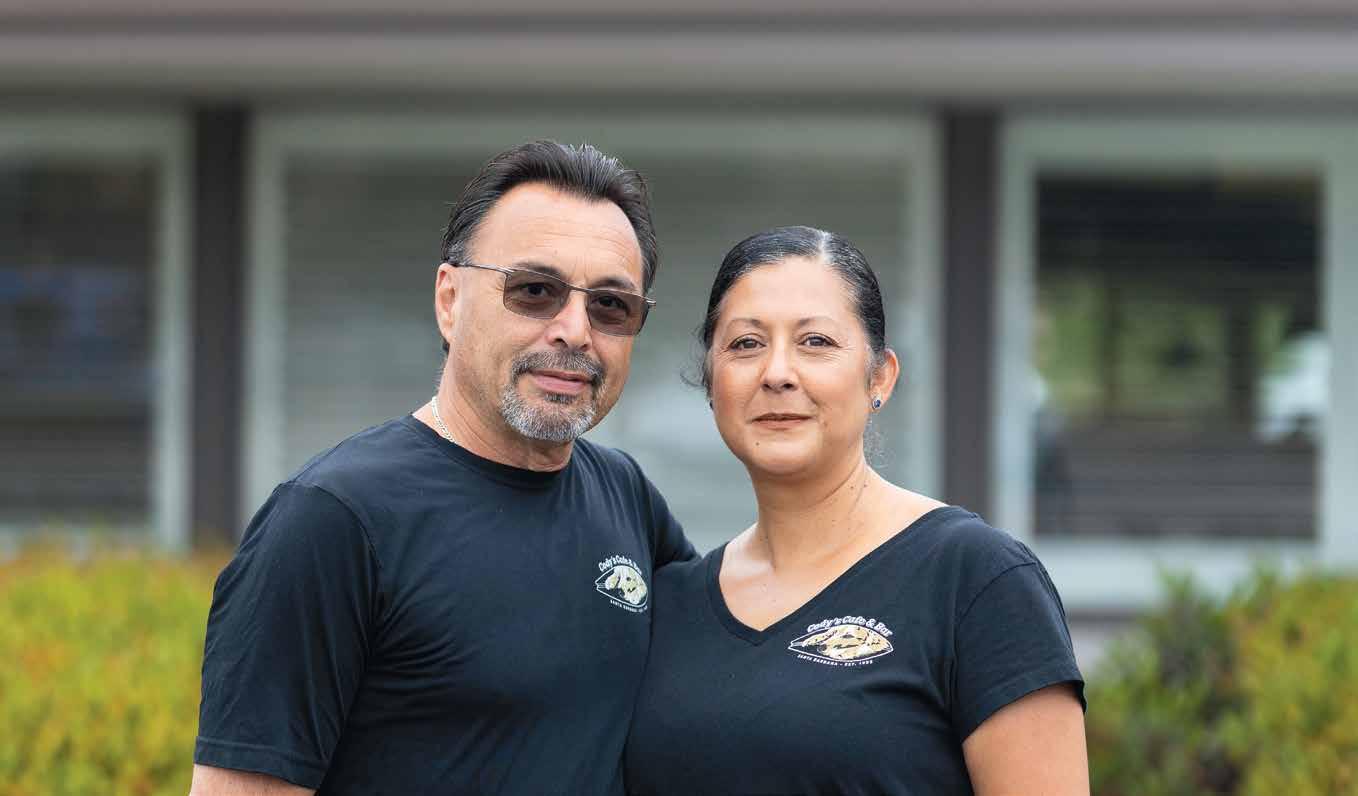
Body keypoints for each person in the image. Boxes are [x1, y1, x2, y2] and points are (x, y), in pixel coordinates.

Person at [190, 140, 695, 796]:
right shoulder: (335, 518)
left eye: (610, 306)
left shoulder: (625, 496)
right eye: (534, 291)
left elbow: (739, 662)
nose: (575, 330)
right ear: (450, 301)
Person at [625, 226, 1088, 795]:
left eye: (815, 341)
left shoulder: (975, 579)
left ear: (880, 377)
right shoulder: (671, 603)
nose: (777, 373)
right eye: (746, 344)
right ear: (711, 382)